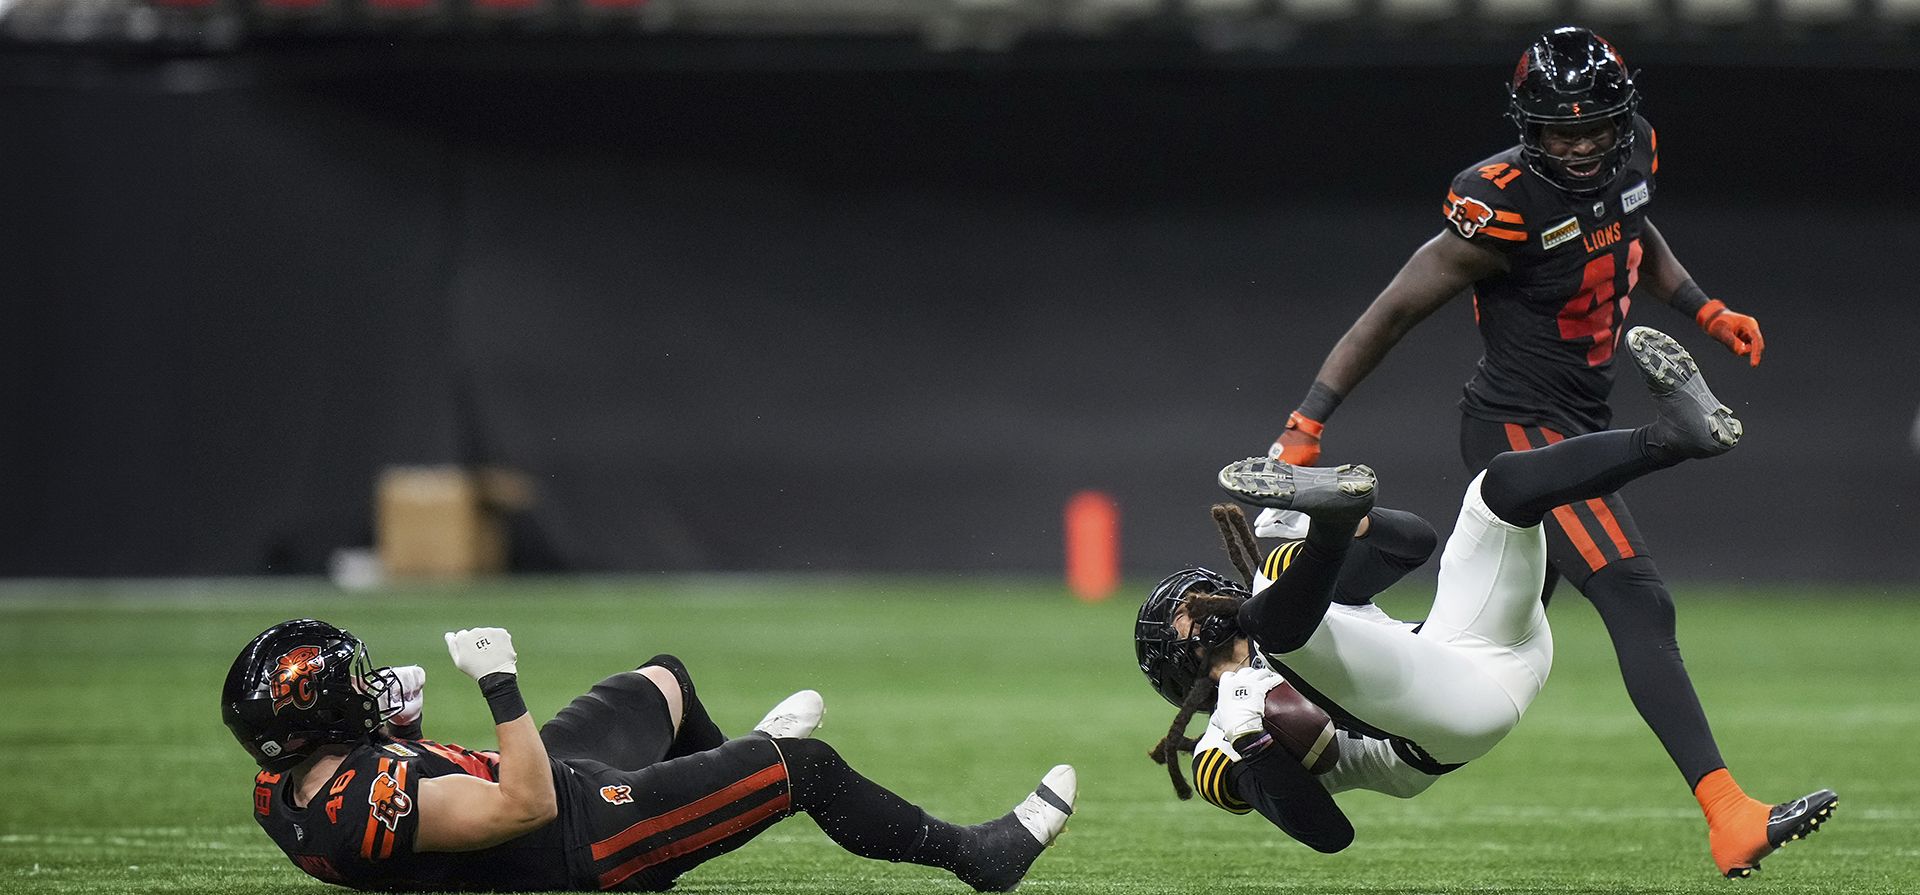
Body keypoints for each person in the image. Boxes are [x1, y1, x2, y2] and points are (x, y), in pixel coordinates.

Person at [1258, 25, 1808, 878]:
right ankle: (1727, 811)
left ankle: (1312, 737)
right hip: (1518, 429)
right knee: (1636, 596)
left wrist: (1703, 307)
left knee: (1477, 658)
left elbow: (1634, 229)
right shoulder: (1499, 200)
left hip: (1577, 423)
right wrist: (1307, 419)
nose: (1584, 146)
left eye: (1597, 129)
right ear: (1527, 127)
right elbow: (1396, 307)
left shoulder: (1633, 158)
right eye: (1561, 131)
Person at [1141, 328, 1835, 874]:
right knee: (1278, 592)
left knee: (1498, 491)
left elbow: (1414, 542)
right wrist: (1254, 742)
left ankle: (1672, 436)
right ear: (1181, 671)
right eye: (1189, 621)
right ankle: (1323, 525)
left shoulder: (1292, 596)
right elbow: (1330, 835)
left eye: (1200, 602)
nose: (1203, 615)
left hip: (1481, 645)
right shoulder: (1220, 745)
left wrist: (1353, 523)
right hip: (1444, 721)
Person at [223, 620, 1074, 892]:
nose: (368, 686)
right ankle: (980, 857)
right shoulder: (372, 802)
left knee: (661, 678)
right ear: (324, 719)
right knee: (804, 769)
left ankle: (735, 769)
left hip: (543, 792)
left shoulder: (288, 788)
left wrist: (398, 732)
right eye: (354, 685)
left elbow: (425, 818)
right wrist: (499, 684)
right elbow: (524, 805)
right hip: (578, 838)